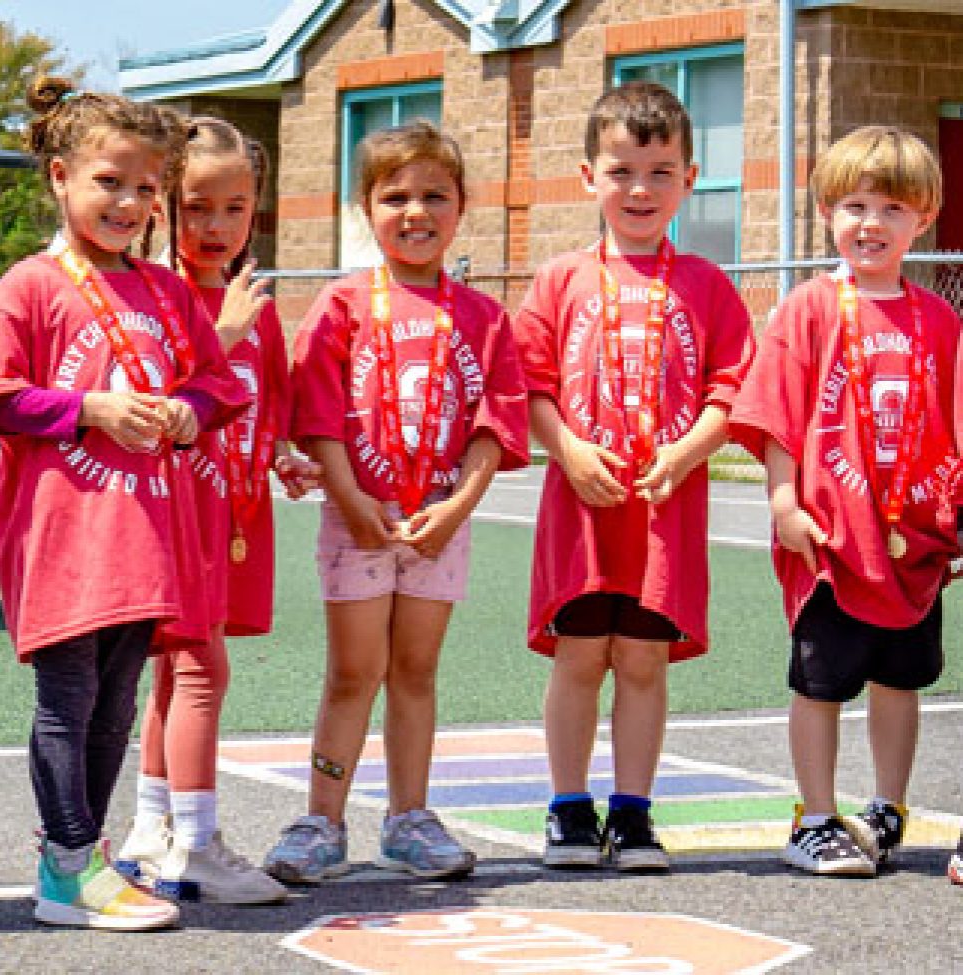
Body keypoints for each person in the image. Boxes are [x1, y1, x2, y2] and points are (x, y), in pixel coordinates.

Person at [0, 77, 249, 928]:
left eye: (145, 187)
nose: (129, 202)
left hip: (144, 532)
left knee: (120, 700)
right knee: (69, 697)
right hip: (61, 536)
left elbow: (215, 382)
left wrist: (184, 415)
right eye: (109, 182)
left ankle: (80, 857)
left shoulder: (165, 292)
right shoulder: (30, 285)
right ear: (60, 176)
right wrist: (92, 408)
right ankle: (66, 863)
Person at [263, 120, 529, 884]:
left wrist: (456, 509)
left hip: (439, 527)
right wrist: (349, 501)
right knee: (354, 672)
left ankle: (410, 818)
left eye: (434, 195)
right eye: (395, 196)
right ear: (365, 208)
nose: (416, 212)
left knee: (415, 670)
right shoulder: (342, 304)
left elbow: (494, 427)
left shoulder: (483, 318)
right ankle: (322, 820)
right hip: (359, 522)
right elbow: (316, 416)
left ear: (461, 206)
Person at [514, 81, 754, 872]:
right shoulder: (560, 279)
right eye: (621, 171)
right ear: (589, 177)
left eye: (660, 171)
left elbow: (733, 389)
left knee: (643, 660)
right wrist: (567, 451)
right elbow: (532, 383)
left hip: (663, 514)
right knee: (581, 656)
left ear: (690, 179)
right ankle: (569, 807)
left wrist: (688, 453)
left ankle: (635, 810)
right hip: (582, 510)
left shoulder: (709, 286)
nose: (640, 189)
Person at [732, 125, 959, 877]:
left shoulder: (939, 319)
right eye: (856, 204)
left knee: (902, 679)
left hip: (914, 539)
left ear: (922, 218)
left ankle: (887, 808)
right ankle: (815, 816)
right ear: (829, 210)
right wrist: (782, 496)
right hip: (832, 539)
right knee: (821, 680)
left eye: (892, 207)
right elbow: (778, 410)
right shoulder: (809, 307)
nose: (872, 222)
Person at [115, 117, 316, 904]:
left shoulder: (252, 300)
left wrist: (279, 454)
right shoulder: (156, 295)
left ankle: (152, 826)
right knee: (199, 668)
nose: (217, 226)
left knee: (179, 675)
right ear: (165, 205)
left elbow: (256, 402)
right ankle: (196, 843)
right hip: (175, 513)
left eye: (234, 208)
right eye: (198, 206)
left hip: (235, 511)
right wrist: (219, 332)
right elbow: (161, 403)